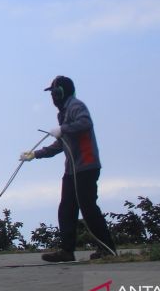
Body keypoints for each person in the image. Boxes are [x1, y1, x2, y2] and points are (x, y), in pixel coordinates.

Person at [20, 75, 117, 262]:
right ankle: (67, 251)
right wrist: (35, 154)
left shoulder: (75, 106)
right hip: (72, 169)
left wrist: (63, 129)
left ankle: (107, 249)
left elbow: (85, 122)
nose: (52, 97)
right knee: (66, 208)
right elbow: (60, 145)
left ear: (62, 93)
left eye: (55, 93)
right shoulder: (63, 113)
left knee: (88, 208)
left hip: (86, 166)